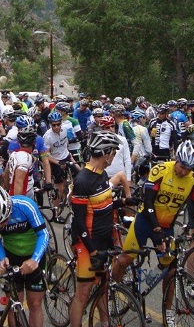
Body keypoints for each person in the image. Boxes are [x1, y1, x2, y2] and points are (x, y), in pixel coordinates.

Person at [113, 140, 194, 327]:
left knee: (170, 271)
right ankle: (110, 291)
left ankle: (167, 312)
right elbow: (148, 203)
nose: (184, 172)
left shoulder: (193, 180)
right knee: (125, 259)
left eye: (189, 169)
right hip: (145, 221)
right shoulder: (161, 170)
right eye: (182, 166)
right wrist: (156, 231)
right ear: (176, 160)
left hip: (167, 226)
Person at [69, 131, 122, 327]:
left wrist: (124, 201)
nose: (114, 156)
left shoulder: (103, 175)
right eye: (113, 152)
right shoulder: (83, 180)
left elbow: (105, 204)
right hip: (87, 243)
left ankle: (105, 322)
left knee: (104, 286)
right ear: (106, 153)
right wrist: (92, 251)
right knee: (83, 292)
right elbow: (80, 222)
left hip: (103, 239)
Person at [0, 185, 49, 327]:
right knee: (14, 304)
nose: (0, 225)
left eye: (3, 220)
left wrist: (35, 260)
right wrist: (2, 258)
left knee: (35, 303)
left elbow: (44, 234)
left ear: (9, 209)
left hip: (34, 254)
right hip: (12, 257)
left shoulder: (26, 206)